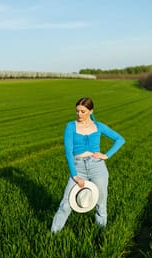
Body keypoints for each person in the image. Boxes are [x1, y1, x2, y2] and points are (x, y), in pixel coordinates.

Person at [51, 97, 125, 233]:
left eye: (83, 111)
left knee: (101, 203)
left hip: (97, 167)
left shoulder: (99, 126)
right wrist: (75, 176)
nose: (79, 114)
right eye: (77, 111)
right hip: (78, 166)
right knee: (66, 203)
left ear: (91, 111)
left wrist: (106, 155)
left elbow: (120, 139)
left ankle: (101, 233)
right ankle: (53, 233)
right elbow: (68, 153)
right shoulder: (70, 126)